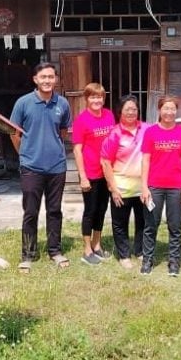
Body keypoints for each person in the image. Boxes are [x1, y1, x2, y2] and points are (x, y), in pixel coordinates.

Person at [9, 62, 72, 273]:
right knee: (31, 211)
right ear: (35, 79)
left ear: (56, 79)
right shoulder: (23, 103)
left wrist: (53, 150)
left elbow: (62, 132)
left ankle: (55, 250)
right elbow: (14, 134)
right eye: (43, 77)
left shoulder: (62, 103)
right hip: (31, 167)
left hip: (56, 167)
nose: (47, 81)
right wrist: (25, 155)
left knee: (54, 211)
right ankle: (28, 253)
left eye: (51, 77)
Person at [140, 96, 181, 276]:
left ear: (176, 111)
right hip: (154, 186)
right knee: (150, 225)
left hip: (176, 187)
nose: (169, 112)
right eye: (166, 108)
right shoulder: (151, 132)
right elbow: (145, 160)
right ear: (159, 110)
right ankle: (147, 260)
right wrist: (144, 187)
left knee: (175, 226)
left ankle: (174, 262)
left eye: (172, 109)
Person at [100, 94, 148, 269]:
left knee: (143, 221)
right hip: (121, 187)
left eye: (134, 109)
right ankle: (124, 255)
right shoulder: (115, 133)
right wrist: (113, 188)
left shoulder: (147, 130)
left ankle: (140, 251)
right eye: (127, 109)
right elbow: (105, 161)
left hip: (143, 187)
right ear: (120, 112)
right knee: (120, 223)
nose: (131, 112)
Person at [72, 82, 116, 265]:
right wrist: (82, 176)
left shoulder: (109, 115)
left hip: (106, 172)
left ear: (103, 98)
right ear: (87, 99)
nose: (97, 100)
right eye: (93, 97)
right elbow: (77, 149)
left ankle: (97, 245)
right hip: (90, 172)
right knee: (90, 211)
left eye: (99, 97)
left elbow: (113, 141)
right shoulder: (81, 120)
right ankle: (87, 249)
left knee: (102, 209)